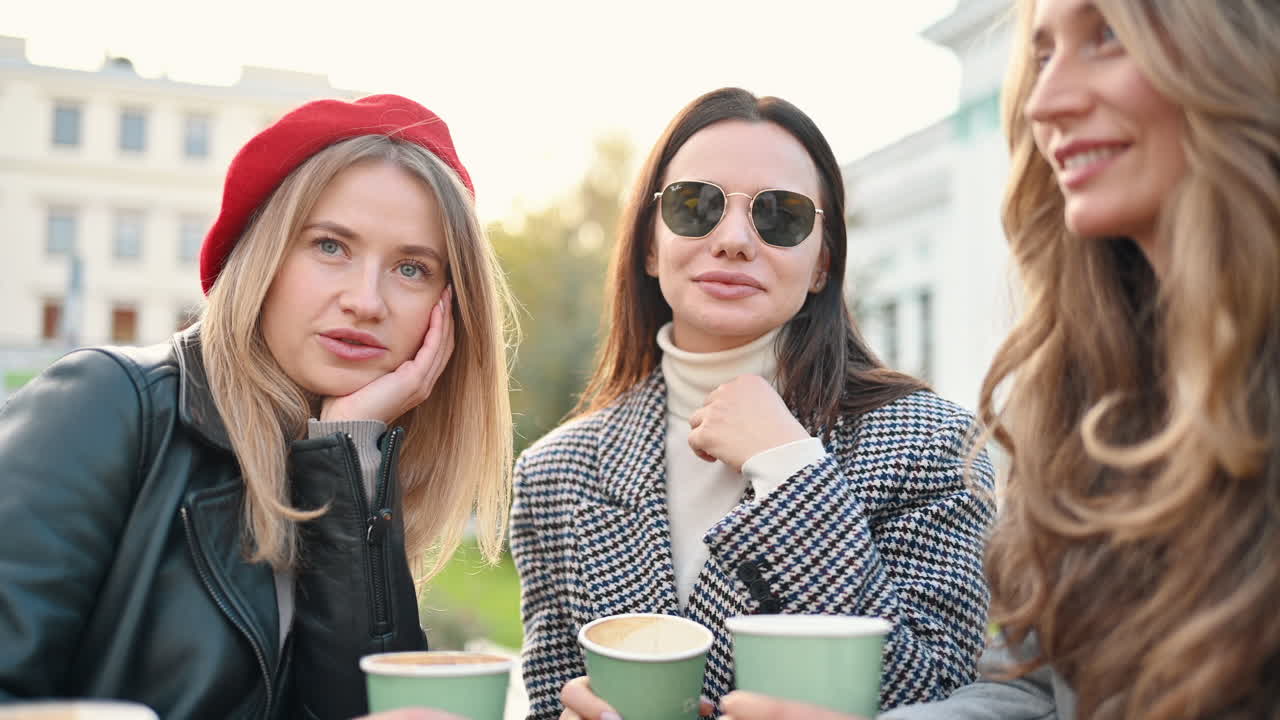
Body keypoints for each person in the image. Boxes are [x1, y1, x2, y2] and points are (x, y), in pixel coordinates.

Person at [716, 0, 1280, 718]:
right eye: (1041, 56)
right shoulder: (1088, 401)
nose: (1046, 100)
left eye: (1108, 35)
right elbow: (1036, 685)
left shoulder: (933, 442)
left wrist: (790, 473)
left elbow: (930, 672)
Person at [0, 94, 516, 719]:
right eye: (330, 246)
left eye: (411, 268)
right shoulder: (108, 405)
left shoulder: (360, 466)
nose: (366, 300)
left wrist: (349, 448)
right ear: (262, 256)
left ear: (448, 310)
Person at [510, 87, 997, 720]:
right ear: (651, 245)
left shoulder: (933, 445)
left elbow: (934, 693)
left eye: (781, 215)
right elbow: (554, 699)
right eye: (695, 206)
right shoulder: (557, 473)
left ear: (823, 260)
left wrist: (793, 473)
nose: (735, 238)